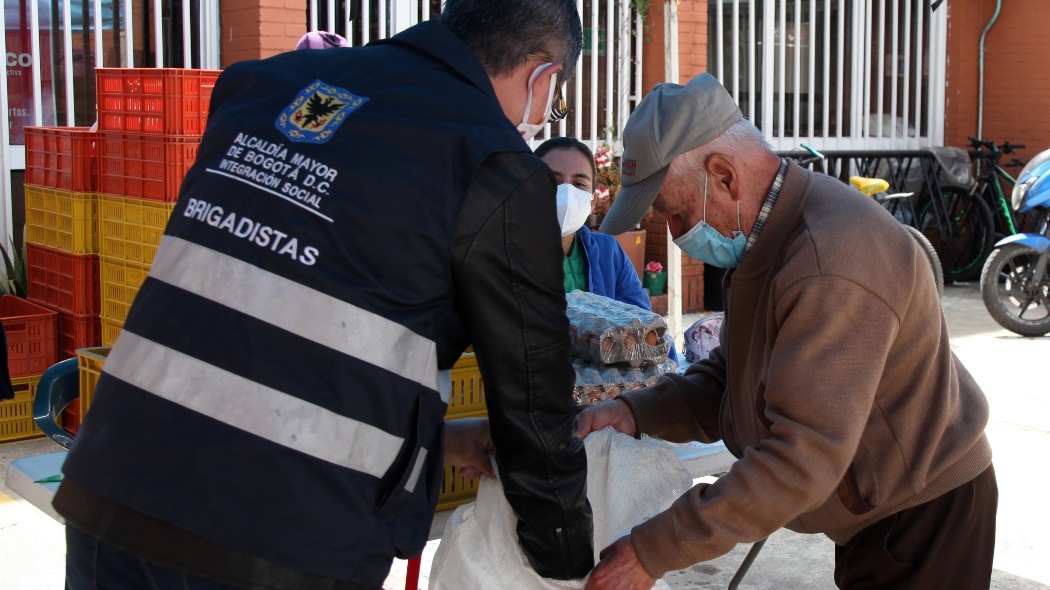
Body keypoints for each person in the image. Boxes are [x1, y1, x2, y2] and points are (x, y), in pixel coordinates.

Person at [53, 1, 594, 588]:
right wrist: (564, 558)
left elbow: (275, 331)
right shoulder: (494, 167)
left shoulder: (264, 86)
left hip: (114, 490)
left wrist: (433, 444)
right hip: (283, 539)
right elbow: (533, 402)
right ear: (542, 77)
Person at [577, 73, 996, 590]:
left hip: (922, 511)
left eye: (677, 213)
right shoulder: (765, 242)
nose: (679, 235)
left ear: (724, 176)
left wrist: (652, 549)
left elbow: (801, 457)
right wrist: (633, 412)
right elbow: (730, 381)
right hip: (870, 509)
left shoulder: (830, 259)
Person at [534, 136, 678, 363]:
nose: (566, 193)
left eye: (579, 184)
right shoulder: (507, 255)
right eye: (552, 180)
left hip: (602, 392)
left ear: (592, 201)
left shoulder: (607, 253)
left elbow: (645, 326)